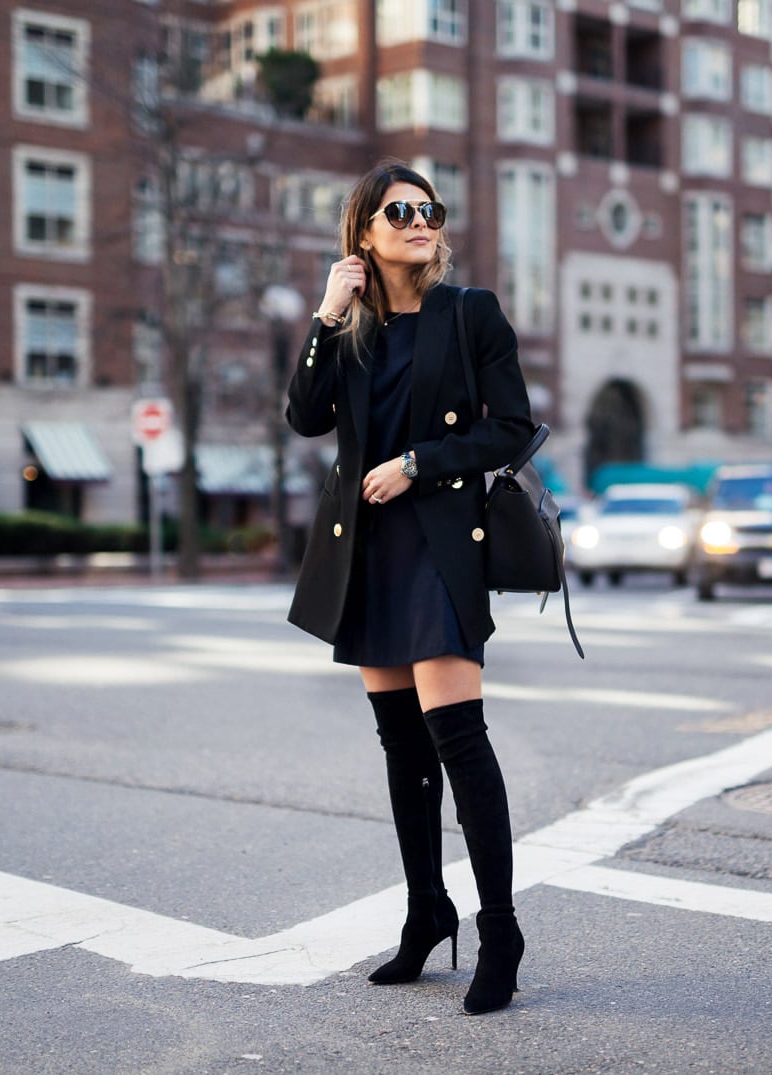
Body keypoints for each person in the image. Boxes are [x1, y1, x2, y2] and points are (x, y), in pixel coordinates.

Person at [284, 160, 534, 1015]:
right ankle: (427, 907)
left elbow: (510, 428)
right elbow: (304, 416)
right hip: (367, 551)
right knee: (401, 743)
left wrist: (418, 463)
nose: (420, 221)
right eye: (400, 210)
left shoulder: (471, 314)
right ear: (365, 233)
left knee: (459, 738)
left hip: (438, 540)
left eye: (428, 209)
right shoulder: (349, 327)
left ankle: (500, 928)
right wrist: (326, 311)